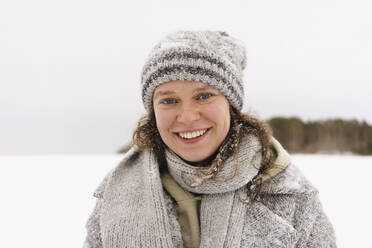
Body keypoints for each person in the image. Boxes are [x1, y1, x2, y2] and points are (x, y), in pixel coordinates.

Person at [83, 31, 336, 248]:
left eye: (204, 96)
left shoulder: (291, 195)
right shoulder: (117, 193)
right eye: (169, 101)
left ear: (231, 104)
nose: (188, 116)